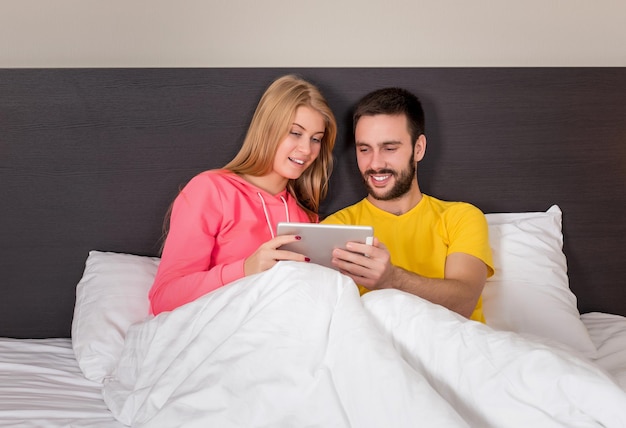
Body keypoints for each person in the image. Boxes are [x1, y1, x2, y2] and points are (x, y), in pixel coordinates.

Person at [149, 75, 337, 315]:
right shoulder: (211, 190)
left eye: (316, 139)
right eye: (295, 133)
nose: (306, 149)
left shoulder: (306, 218)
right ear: (268, 129)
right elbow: (163, 300)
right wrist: (245, 269)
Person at [322, 87, 493, 322]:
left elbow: (464, 301)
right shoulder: (334, 229)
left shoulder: (461, 217)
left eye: (390, 148)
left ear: (418, 148)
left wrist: (392, 279)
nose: (375, 163)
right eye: (364, 149)